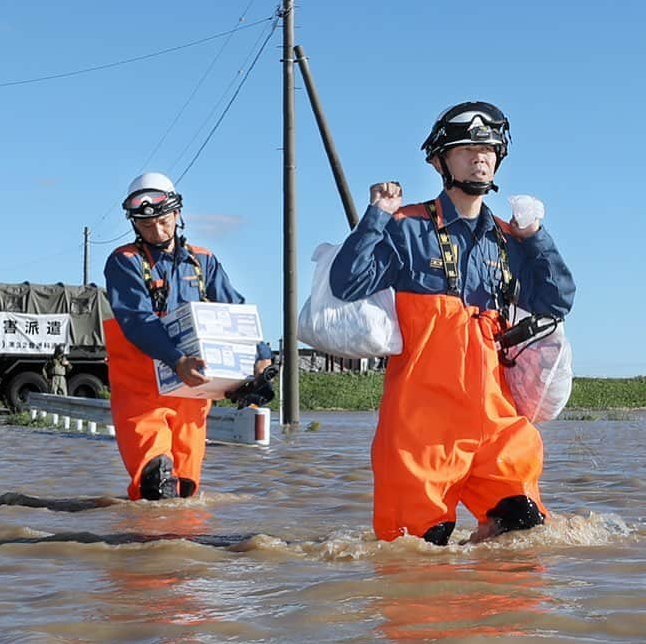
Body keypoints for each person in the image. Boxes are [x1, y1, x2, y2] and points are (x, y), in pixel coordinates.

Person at [329, 101, 576, 545]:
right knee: (416, 555)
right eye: (467, 148)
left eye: (489, 149)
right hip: (420, 429)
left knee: (522, 538)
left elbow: (556, 301)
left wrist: (537, 237)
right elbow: (346, 282)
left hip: (497, 422)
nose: (481, 157)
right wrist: (376, 217)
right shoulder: (407, 227)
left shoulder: (508, 237)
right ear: (439, 159)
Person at [103, 172, 272, 501]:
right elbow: (138, 320)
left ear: (177, 214)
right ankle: (146, 549)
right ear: (134, 223)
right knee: (156, 478)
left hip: (193, 395)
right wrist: (176, 359)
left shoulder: (203, 260)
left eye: (163, 221)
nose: (157, 231)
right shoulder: (125, 262)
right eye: (146, 225)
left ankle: (183, 549)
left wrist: (260, 357)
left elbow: (234, 310)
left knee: (187, 488)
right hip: (142, 394)